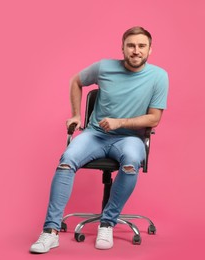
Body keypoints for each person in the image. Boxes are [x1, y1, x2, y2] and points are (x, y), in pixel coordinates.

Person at [30, 26, 169, 253]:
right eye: (131, 45)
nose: (136, 51)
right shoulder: (104, 67)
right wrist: (76, 114)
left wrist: (119, 122)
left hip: (129, 138)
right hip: (95, 135)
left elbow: (154, 119)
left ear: (150, 50)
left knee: (132, 161)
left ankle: (107, 223)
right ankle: (50, 232)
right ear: (122, 48)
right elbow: (76, 80)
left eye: (141, 46)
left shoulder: (159, 76)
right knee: (66, 160)